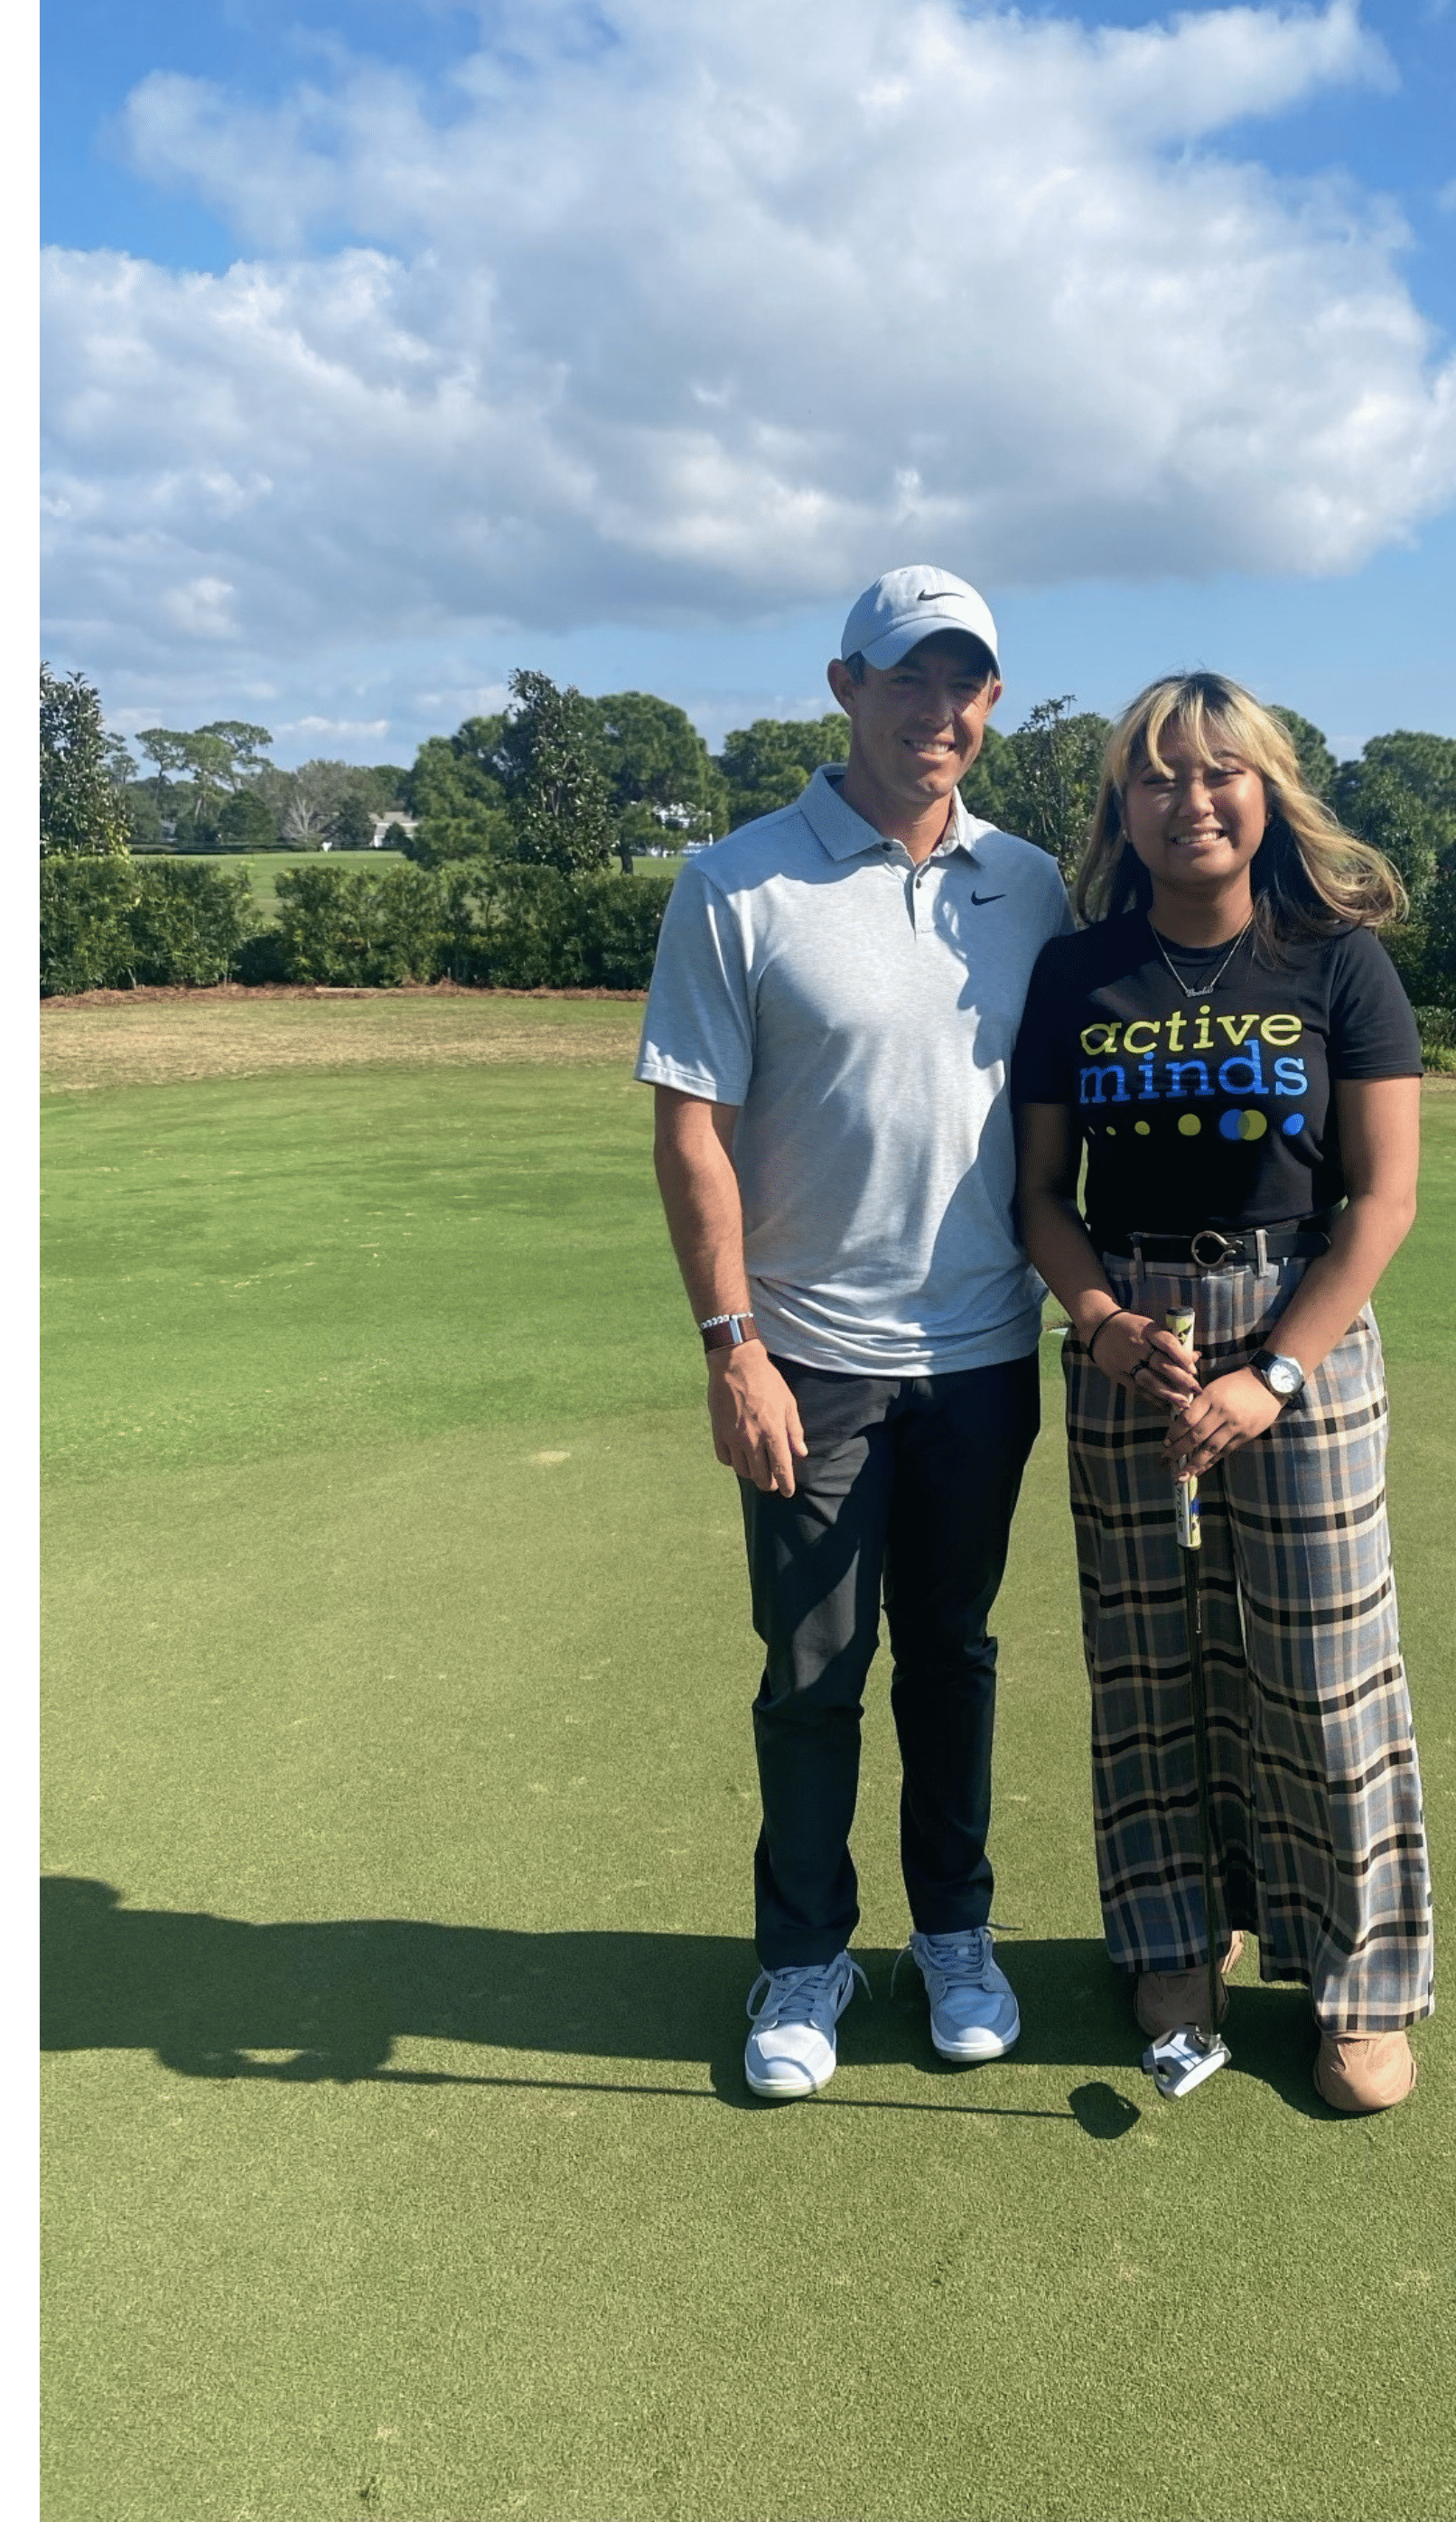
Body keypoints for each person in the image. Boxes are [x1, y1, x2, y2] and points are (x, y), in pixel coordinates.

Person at [639, 565, 1073, 2098]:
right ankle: (805, 1956)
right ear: (845, 685)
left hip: (982, 1352)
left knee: (952, 1654)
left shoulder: (1032, 886)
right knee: (814, 1673)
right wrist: (729, 1342)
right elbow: (692, 1127)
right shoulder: (737, 880)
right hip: (809, 1355)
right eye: (908, 677)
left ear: (993, 704)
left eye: (965, 682)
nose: (936, 709)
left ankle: (952, 1933)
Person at [1013, 671, 1433, 2116]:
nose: (1188, 802)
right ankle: (1174, 1940)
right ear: (1121, 810)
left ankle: (1359, 1982)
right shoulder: (1078, 973)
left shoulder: (1336, 959)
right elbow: (1038, 1199)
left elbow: (1381, 1203)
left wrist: (1275, 1371)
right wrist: (1105, 1322)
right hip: (1131, 1331)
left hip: (1299, 1329)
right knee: (1146, 1661)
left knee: (1325, 1670)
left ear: (1268, 792)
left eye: (1217, 774)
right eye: (1155, 779)